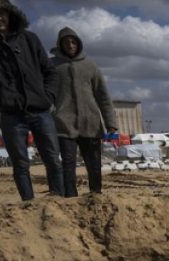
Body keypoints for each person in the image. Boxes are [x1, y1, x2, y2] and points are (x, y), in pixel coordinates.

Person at [0, 0, 64, 201]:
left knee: (53, 159)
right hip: (11, 114)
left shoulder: (30, 38)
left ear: (11, 14)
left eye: (2, 12)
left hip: (40, 110)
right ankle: (28, 205)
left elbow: (50, 72)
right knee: (20, 164)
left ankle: (58, 202)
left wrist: (48, 96)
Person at [51, 27, 116, 196]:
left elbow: (103, 96)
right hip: (64, 123)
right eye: (66, 42)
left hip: (90, 123)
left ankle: (96, 194)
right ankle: (70, 197)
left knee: (94, 163)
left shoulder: (90, 66)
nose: (70, 45)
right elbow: (46, 93)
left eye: (73, 41)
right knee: (68, 163)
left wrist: (111, 123)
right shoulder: (53, 66)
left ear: (78, 44)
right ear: (60, 45)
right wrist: (52, 113)